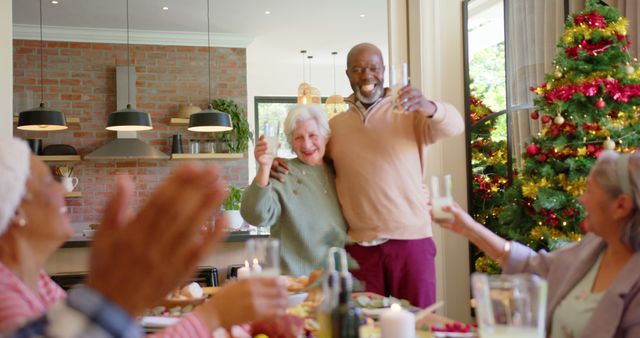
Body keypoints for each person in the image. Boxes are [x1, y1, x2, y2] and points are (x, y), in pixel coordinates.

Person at [0, 138, 288, 337]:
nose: (62, 190)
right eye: (49, 181)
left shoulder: (36, 282)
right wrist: (213, 315)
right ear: (15, 211)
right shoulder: (4, 295)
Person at [272, 43, 464, 307]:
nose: (366, 76)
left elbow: (454, 125)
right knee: (364, 327)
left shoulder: (411, 116)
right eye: (357, 69)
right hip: (359, 247)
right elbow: (313, 162)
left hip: (410, 242)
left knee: (419, 323)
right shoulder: (335, 127)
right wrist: (275, 165)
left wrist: (429, 106)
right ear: (348, 75)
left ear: (383, 71)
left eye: (373, 68)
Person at [436, 150, 640, 338]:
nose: (581, 199)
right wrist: (469, 228)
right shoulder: (596, 246)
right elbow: (534, 267)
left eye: (589, 190)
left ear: (621, 206)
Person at [241, 104, 348, 276]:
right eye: (299, 137)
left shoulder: (339, 171)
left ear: (325, 137)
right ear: (291, 142)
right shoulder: (283, 172)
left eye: (312, 135)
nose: (306, 144)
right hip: (291, 285)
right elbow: (255, 215)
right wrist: (264, 168)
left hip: (334, 282)